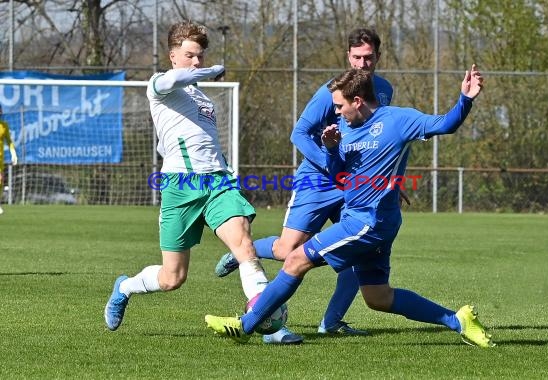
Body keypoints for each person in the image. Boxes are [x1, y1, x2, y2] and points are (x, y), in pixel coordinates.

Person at [205, 65, 496, 348]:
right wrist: (331, 149)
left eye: (339, 105)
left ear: (357, 101)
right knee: (377, 297)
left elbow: (446, 123)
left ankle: (245, 326)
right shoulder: (343, 128)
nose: (335, 111)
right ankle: (459, 321)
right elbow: (337, 173)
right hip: (371, 221)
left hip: (367, 221)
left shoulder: (398, 120)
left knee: (295, 260)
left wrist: (465, 99)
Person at [213, 28, 396, 344]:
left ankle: (332, 323)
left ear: (378, 57)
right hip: (317, 181)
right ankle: (244, 251)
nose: (363, 64)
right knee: (287, 251)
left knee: (357, 254)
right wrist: (331, 166)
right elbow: (299, 133)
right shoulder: (330, 92)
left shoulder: (384, 90)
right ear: (347, 57)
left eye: (368, 57)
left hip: (354, 186)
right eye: (356, 57)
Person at [104, 20, 270, 331]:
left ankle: (267, 323)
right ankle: (124, 288)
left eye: (201, 57)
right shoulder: (160, 85)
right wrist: (206, 72)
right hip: (180, 187)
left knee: (244, 246)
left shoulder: (203, 98)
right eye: (190, 55)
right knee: (173, 278)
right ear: (173, 56)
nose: (196, 62)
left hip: (218, 181)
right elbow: (176, 80)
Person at [0, 105, 18, 215]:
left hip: (0, 159)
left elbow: (9, 141)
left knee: (1, 182)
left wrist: (13, 153)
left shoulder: (4, 126)